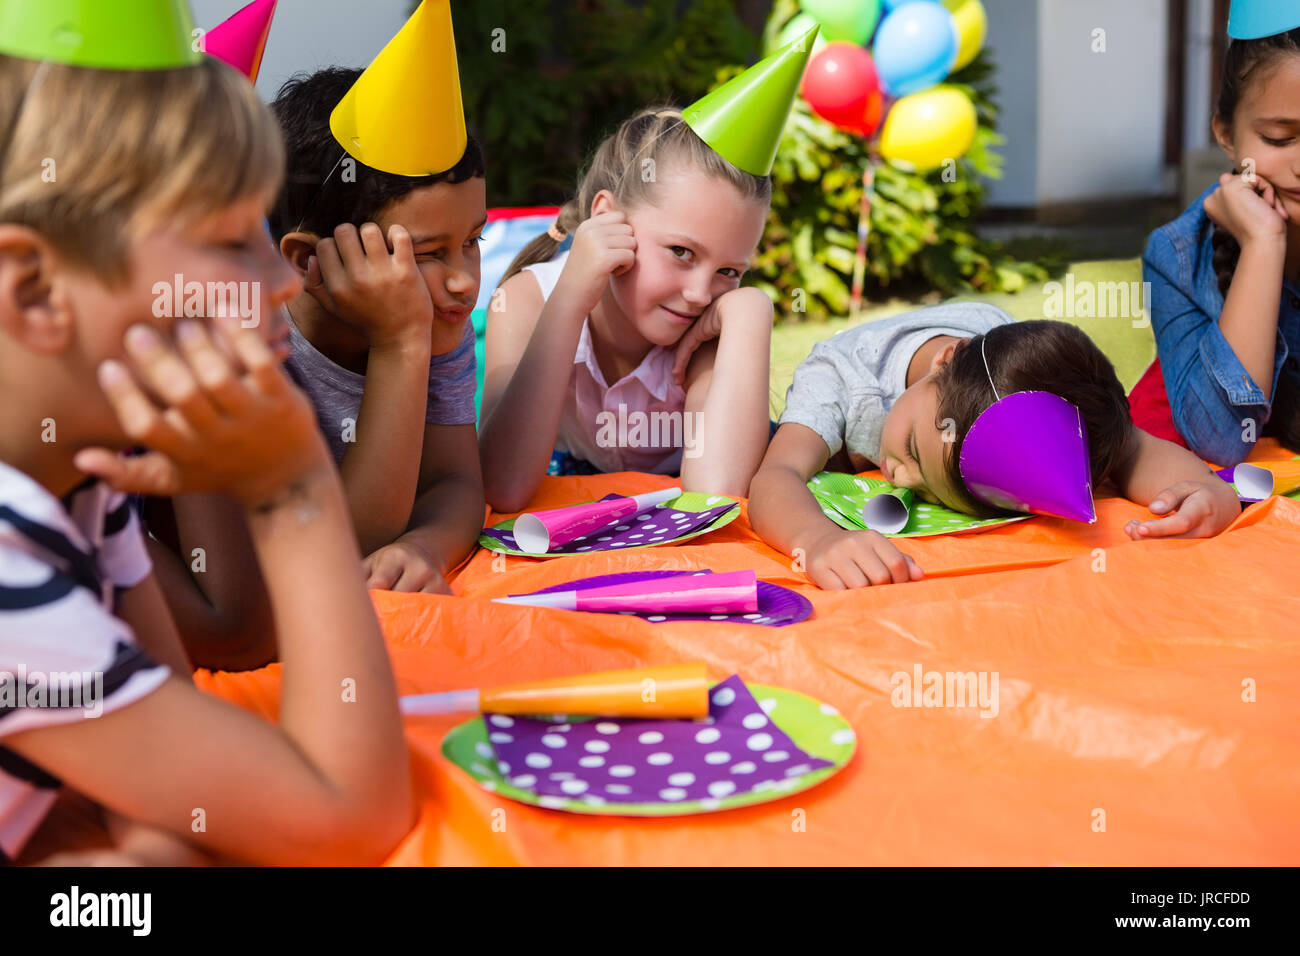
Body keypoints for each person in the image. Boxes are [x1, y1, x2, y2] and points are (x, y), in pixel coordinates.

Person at [0, 51, 411, 864]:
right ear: (38, 290)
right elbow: (347, 818)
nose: (281, 282)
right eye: (230, 243)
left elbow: (171, 788)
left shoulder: (77, 487)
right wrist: (292, 495)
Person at [749, 307, 1243, 590]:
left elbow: (1131, 447)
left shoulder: (1023, 375)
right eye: (914, 453)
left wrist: (1201, 488)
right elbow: (775, 477)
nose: (899, 478)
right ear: (945, 361)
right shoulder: (839, 381)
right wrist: (815, 540)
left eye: (939, 492)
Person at [1136, 20, 1300, 464]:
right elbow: (1221, 440)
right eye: (1279, 138)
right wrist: (1264, 245)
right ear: (1226, 134)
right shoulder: (1176, 255)